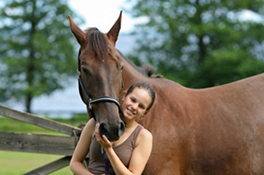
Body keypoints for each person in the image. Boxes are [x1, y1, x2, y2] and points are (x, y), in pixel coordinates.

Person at [70, 82, 156, 175]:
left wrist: (108, 149)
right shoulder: (94, 123)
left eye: (141, 106)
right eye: (133, 100)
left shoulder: (143, 136)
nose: (134, 107)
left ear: (145, 112)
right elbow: (75, 163)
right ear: (124, 96)